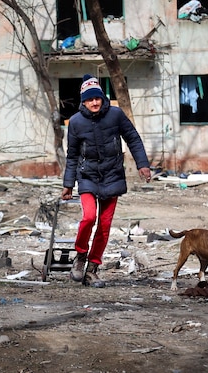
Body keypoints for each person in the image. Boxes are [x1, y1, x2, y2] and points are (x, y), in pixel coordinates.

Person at [62, 75, 152, 287]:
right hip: (88, 176)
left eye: (97, 98)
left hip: (112, 175)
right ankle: (81, 256)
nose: (94, 103)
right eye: (89, 99)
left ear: (103, 98)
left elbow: (133, 138)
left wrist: (143, 164)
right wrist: (68, 184)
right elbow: (72, 155)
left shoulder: (116, 115)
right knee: (89, 217)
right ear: (83, 101)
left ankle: (92, 269)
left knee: (104, 226)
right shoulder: (75, 122)